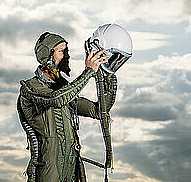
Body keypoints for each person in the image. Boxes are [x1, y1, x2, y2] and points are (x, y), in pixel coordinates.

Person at [17, 32, 118, 182]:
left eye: (67, 51)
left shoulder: (64, 90)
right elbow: (56, 99)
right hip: (49, 171)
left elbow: (98, 111)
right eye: (61, 51)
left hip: (72, 169)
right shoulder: (31, 87)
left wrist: (108, 75)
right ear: (47, 54)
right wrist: (89, 72)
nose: (67, 56)